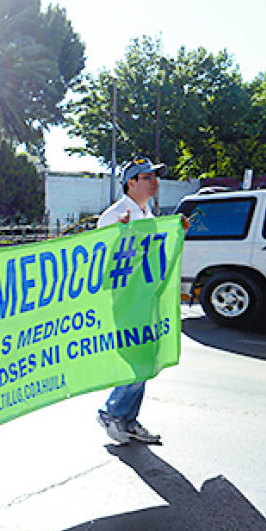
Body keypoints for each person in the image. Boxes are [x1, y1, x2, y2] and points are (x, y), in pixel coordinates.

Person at [95, 155, 189, 445]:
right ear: (131, 182)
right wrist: (119, 232)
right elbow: (102, 260)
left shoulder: (146, 215)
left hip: (145, 299)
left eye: (155, 177)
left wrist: (177, 234)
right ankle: (112, 411)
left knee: (146, 360)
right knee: (136, 360)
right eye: (148, 177)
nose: (155, 182)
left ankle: (128, 419)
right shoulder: (115, 215)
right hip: (125, 301)